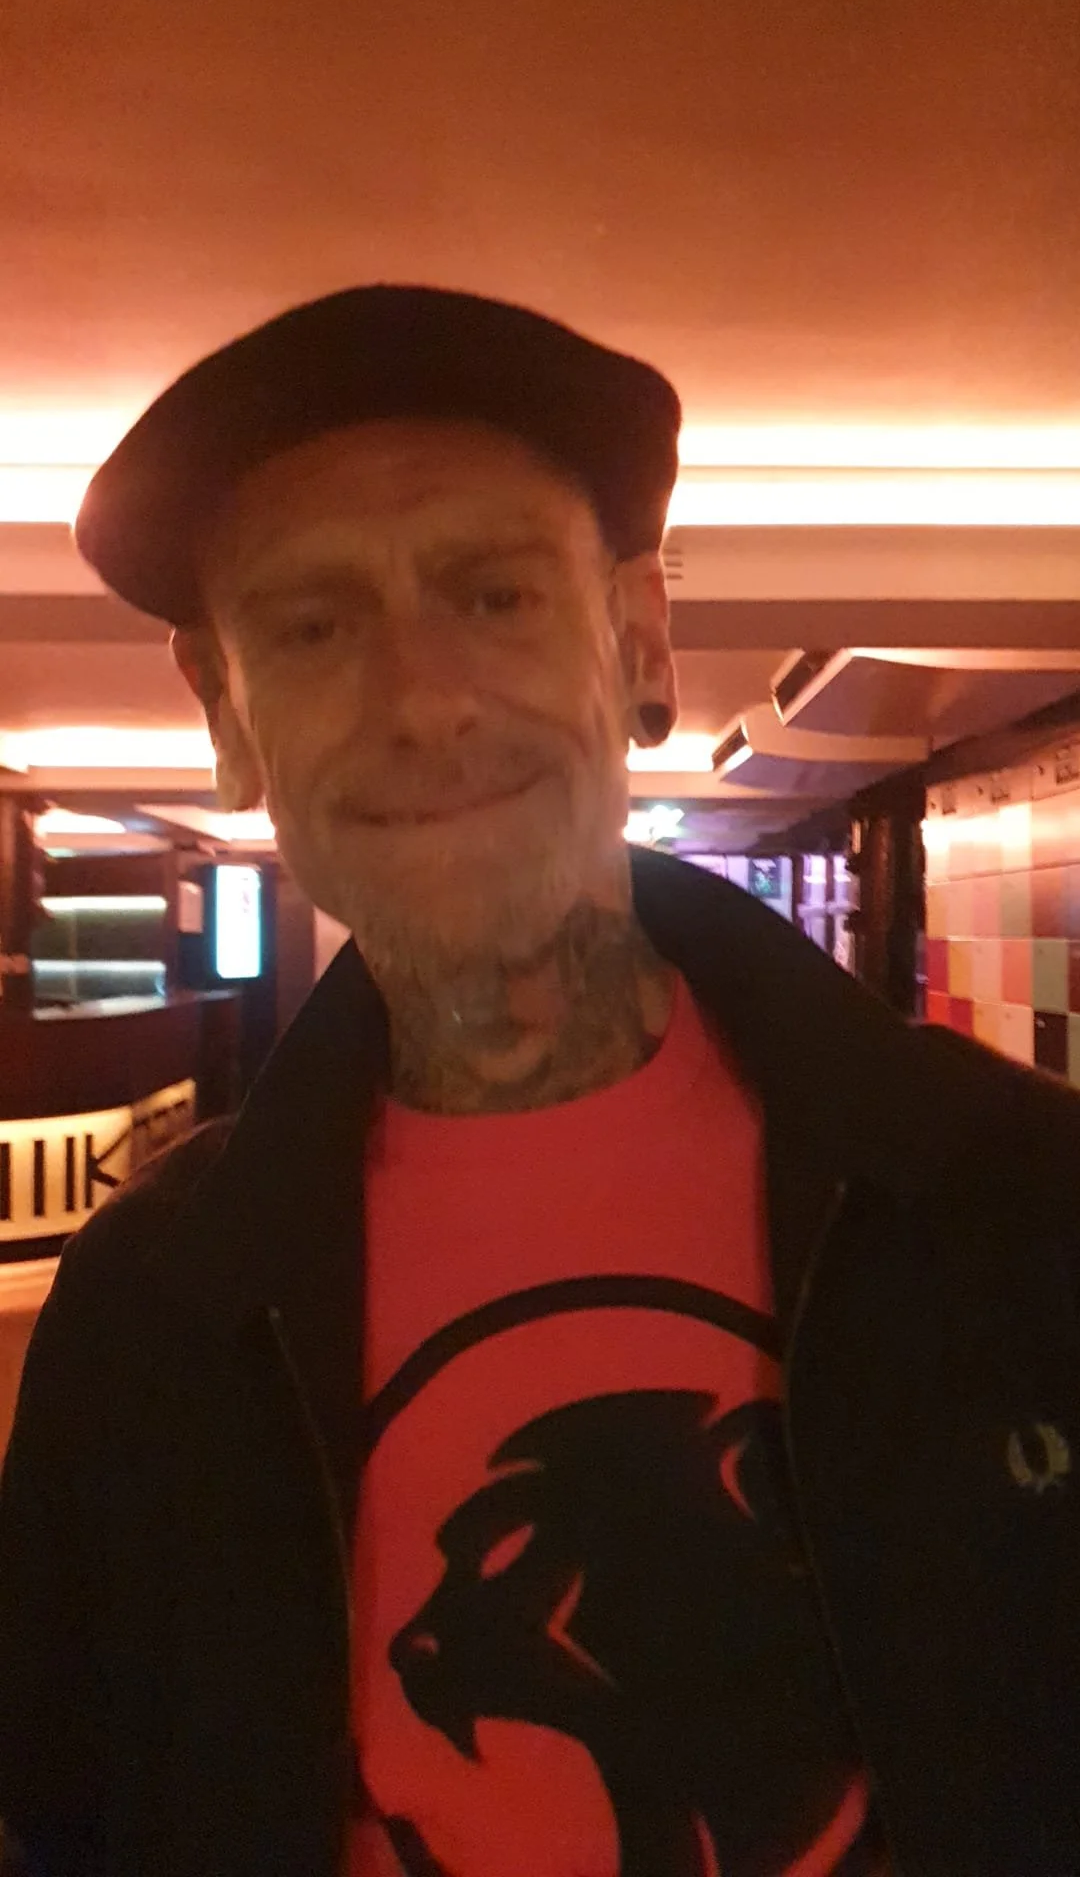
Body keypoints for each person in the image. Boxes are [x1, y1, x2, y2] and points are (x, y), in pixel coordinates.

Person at [0, 287, 1077, 1877]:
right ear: (227, 715)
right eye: (312, 628)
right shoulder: (148, 1313)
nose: (422, 701)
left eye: (495, 595)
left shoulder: (1022, 1201)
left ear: (640, 643)